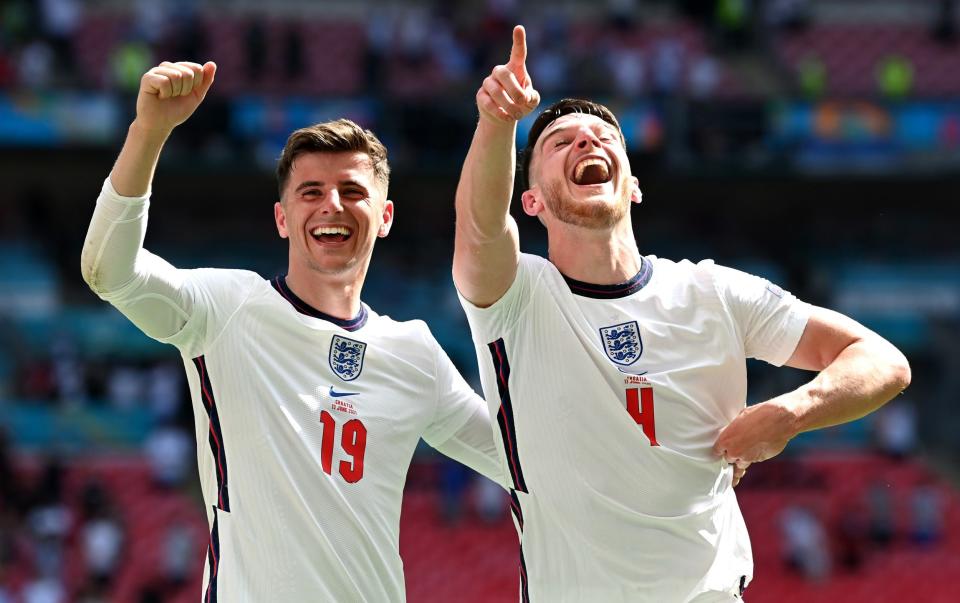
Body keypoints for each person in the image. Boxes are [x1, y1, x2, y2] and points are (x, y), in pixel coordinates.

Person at [453, 26, 912, 602]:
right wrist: (498, 122)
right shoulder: (515, 299)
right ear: (532, 200)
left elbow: (882, 361)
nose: (587, 144)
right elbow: (479, 228)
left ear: (634, 185)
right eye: (560, 142)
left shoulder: (710, 290)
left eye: (603, 137)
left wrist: (792, 412)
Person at [81, 60, 504, 601]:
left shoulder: (415, 353)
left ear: (386, 215)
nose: (332, 205)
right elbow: (109, 271)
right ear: (282, 218)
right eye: (310, 192)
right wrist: (149, 132)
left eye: (352, 191)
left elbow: (518, 459)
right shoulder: (228, 310)